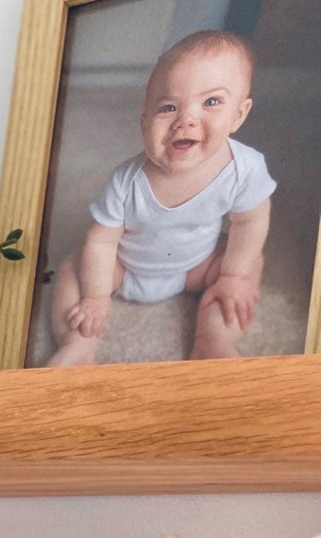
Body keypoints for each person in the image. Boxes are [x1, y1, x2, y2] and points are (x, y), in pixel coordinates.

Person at [46, 29, 274, 366]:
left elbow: (251, 220)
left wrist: (232, 276)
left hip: (198, 266)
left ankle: (214, 339)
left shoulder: (245, 168)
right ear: (144, 124)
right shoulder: (127, 180)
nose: (187, 120)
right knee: (73, 268)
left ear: (239, 114)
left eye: (211, 102)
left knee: (248, 264)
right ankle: (78, 343)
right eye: (168, 107)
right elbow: (103, 242)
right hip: (127, 269)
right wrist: (96, 296)